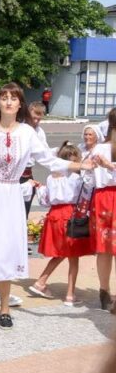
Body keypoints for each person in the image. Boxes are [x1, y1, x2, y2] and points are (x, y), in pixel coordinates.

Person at [0, 83, 89, 333]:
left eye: (12, 98)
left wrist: (81, 166)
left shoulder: (27, 133)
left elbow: (48, 160)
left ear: (19, 104)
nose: (7, 102)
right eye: (3, 98)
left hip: (10, 193)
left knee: (5, 249)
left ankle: (4, 308)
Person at [27, 143, 91, 305]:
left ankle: (42, 281)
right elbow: (84, 198)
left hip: (54, 215)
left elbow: (46, 200)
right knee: (73, 257)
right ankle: (69, 294)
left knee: (60, 253)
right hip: (70, 215)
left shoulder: (51, 177)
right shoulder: (77, 178)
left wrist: (40, 188)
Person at [84, 109, 116, 312]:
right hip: (108, 197)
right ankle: (105, 292)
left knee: (104, 248)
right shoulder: (103, 150)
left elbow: (88, 180)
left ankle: (104, 291)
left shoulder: (99, 149)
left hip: (102, 198)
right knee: (106, 248)